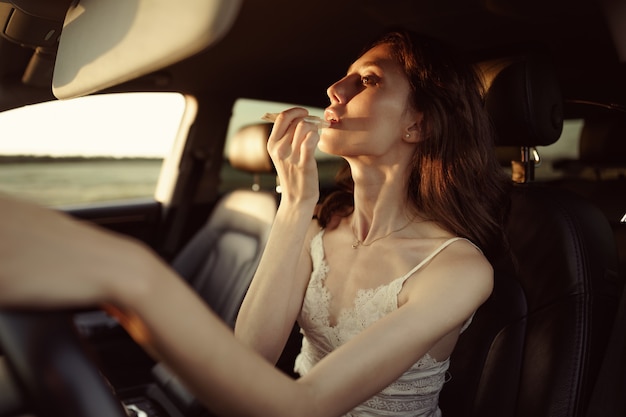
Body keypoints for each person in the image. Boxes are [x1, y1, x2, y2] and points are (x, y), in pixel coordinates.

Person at [0, 30, 510, 416]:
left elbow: (304, 407)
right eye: (345, 75)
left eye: (368, 80)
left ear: (418, 123)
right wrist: (293, 202)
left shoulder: (459, 270)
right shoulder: (318, 226)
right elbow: (251, 356)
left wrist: (131, 272)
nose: (335, 90)